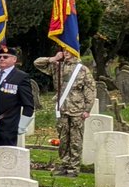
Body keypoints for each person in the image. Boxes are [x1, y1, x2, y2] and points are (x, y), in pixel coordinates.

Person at [34, 49, 96, 177]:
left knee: (75, 139)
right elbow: (37, 63)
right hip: (61, 109)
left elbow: (90, 89)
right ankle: (64, 164)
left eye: (69, 50)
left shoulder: (82, 69)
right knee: (63, 139)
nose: (66, 53)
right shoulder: (57, 66)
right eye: (64, 50)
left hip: (76, 109)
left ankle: (74, 168)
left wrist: (87, 109)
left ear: (75, 52)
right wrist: (53, 59)